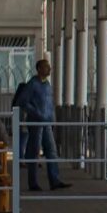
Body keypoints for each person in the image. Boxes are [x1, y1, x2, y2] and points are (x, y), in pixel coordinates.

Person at [11, 58, 68, 191]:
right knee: (34, 151)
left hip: (47, 122)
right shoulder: (32, 84)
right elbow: (22, 101)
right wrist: (36, 112)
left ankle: (55, 180)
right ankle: (33, 182)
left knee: (51, 151)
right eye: (46, 67)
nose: (49, 69)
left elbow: (49, 104)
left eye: (49, 66)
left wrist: (52, 117)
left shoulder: (47, 84)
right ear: (39, 69)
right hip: (36, 122)